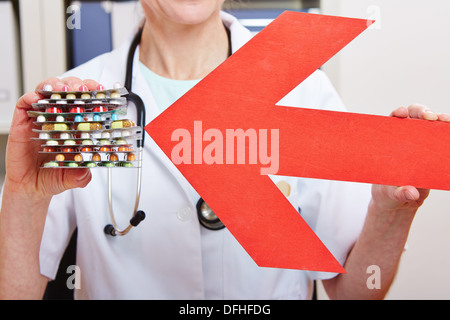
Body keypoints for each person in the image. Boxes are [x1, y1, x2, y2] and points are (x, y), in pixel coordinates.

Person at [0, 0, 449, 300]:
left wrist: (391, 210)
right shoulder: (82, 104)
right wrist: (22, 193)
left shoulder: (300, 88)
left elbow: (355, 291)